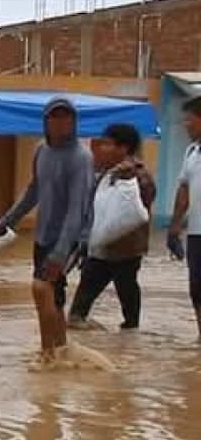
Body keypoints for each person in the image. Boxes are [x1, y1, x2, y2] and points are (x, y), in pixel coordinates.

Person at [0, 98, 94, 362]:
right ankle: (61, 352)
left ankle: (47, 354)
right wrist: (8, 220)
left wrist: (60, 254)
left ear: (74, 122)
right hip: (43, 235)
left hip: (70, 239)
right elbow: (34, 190)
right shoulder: (41, 151)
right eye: (55, 118)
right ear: (46, 121)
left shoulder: (81, 158)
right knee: (55, 299)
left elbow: (76, 211)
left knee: (40, 288)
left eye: (66, 118)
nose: (61, 123)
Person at [68, 124, 157, 330]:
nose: (101, 148)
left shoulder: (137, 175)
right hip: (100, 247)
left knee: (126, 291)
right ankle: (126, 334)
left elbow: (139, 210)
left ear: (123, 148)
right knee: (81, 305)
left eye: (107, 144)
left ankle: (130, 337)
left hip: (126, 249)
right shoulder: (106, 174)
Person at [168, 96, 201, 339]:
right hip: (197, 234)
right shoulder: (192, 152)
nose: (186, 125)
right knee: (197, 289)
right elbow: (184, 189)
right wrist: (174, 228)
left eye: (190, 120)